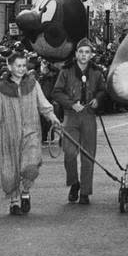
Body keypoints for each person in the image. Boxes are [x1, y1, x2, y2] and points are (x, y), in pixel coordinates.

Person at [0, 51, 61, 215]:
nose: (22, 69)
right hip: (9, 135)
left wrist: (53, 118)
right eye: (18, 66)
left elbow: (43, 104)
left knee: (31, 164)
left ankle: (25, 192)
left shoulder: (33, 84)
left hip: (31, 132)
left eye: (23, 66)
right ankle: (14, 201)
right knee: (10, 170)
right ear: (9, 66)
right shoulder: (1, 89)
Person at [51, 39, 107, 205]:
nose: (83, 55)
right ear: (76, 54)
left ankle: (85, 192)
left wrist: (98, 99)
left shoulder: (97, 72)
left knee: (88, 155)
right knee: (69, 153)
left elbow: (103, 90)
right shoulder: (66, 71)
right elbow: (56, 92)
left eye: (87, 52)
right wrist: (70, 104)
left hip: (89, 115)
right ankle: (74, 183)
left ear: (91, 55)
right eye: (81, 52)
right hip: (71, 115)